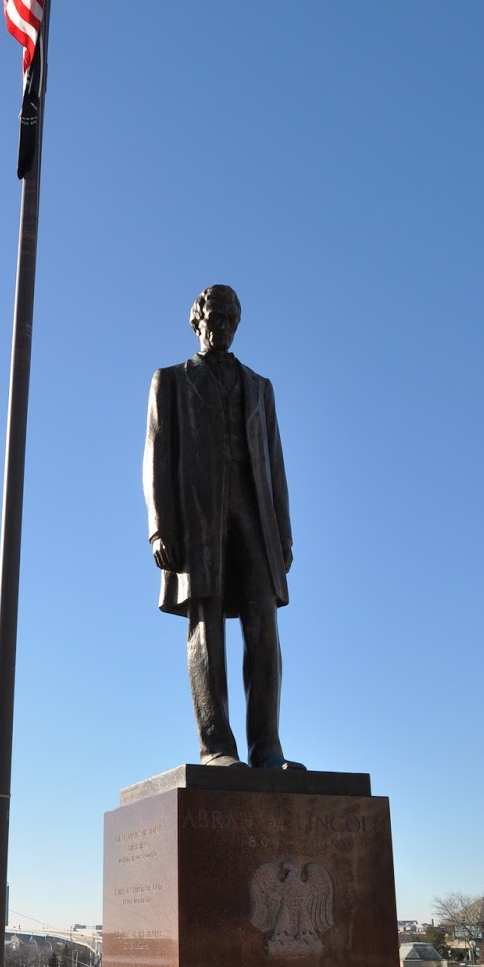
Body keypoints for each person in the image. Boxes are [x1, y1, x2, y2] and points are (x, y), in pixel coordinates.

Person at [143, 285, 303, 768]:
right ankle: (216, 747)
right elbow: (156, 457)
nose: (224, 326)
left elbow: (275, 463)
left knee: (264, 629)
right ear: (197, 320)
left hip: (254, 516)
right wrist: (159, 528)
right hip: (197, 517)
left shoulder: (259, 387)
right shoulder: (170, 381)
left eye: (232, 318)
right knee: (205, 626)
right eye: (216, 316)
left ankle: (268, 748)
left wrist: (284, 535)